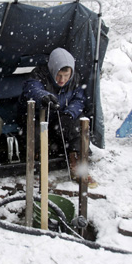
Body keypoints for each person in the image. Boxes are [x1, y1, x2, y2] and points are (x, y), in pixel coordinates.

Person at [20, 47, 97, 188]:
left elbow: (79, 100)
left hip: (62, 116)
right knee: (36, 133)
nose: (62, 80)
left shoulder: (76, 79)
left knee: (77, 124)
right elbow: (32, 89)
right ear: (53, 69)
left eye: (66, 76)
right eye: (59, 75)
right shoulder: (39, 74)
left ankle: (77, 165)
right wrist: (44, 97)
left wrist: (69, 113)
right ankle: (39, 161)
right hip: (42, 116)